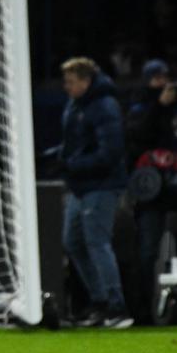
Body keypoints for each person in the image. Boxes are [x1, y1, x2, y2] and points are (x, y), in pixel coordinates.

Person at [58, 56, 132, 328]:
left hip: (102, 185)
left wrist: (73, 165)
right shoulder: (75, 104)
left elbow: (111, 152)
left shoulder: (104, 105)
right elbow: (75, 145)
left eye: (71, 82)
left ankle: (117, 307)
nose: (67, 87)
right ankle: (99, 301)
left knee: (97, 243)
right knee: (73, 242)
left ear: (86, 81)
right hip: (80, 186)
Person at [126, 59, 177, 319]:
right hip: (152, 195)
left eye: (165, 77)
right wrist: (158, 106)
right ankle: (143, 312)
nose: (162, 83)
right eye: (156, 78)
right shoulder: (141, 107)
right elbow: (135, 135)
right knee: (147, 254)